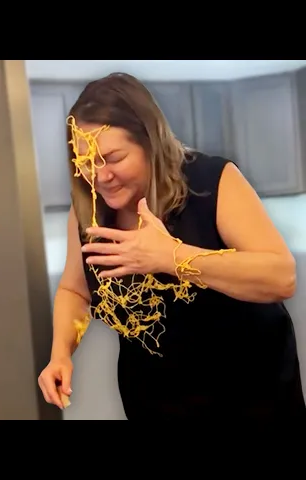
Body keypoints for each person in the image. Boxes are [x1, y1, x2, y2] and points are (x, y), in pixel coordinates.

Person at [38, 72, 305, 419]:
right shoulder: (88, 209)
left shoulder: (212, 182)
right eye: (86, 162)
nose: (100, 176)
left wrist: (172, 257)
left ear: (150, 142)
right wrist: (61, 353)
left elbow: (281, 277)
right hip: (155, 401)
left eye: (113, 158)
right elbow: (75, 291)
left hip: (250, 399)